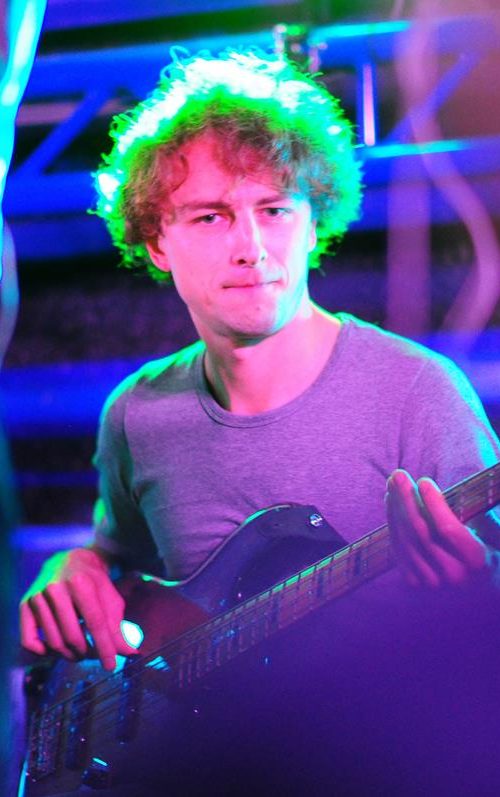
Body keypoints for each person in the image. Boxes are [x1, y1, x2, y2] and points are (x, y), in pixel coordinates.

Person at [19, 49, 500, 795]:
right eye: (211, 215)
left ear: (313, 224)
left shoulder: (418, 391)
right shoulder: (137, 414)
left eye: (274, 209)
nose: (251, 247)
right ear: (156, 241)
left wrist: (473, 595)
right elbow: (122, 570)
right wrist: (72, 567)